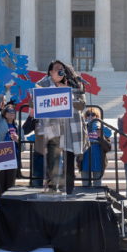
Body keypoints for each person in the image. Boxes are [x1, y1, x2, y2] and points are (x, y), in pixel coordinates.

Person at [34, 60, 88, 194]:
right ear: (50, 72)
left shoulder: (74, 84)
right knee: (53, 159)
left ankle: (68, 189)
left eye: (62, 68)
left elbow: (82, 105)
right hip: (52, 128)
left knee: (69, 158)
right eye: (56, 68)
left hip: (70, 127)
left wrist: (66, 93)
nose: (60, 70)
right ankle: (53, 188)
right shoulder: (42, 85)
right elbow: (33, 102)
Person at [78, 107, 111, 186]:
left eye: (93, 114)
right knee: (85, 186)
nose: (90, 116)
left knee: (97, 185)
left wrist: (101, 137)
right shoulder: (82, 128)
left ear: (97, 116)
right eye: (88, 114)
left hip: (98, 161)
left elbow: (108, 148)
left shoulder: (102, 129)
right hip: (85, 160)